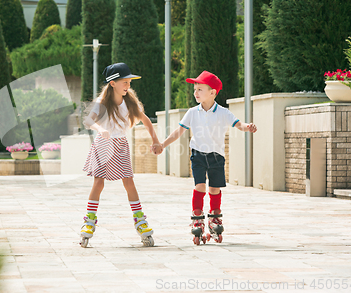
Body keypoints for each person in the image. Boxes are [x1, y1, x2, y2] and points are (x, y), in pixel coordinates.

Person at [153, 71, 257, 244]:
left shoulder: (223, 112)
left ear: (212, 92)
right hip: (198, 155)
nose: (195, 92)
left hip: (217, 157)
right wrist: (163, 144)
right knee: (200, 186)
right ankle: (197, 216)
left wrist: (248, 126)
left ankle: (215, 216)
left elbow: (238, 125)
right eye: (195, 89)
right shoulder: (192, 112)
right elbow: (179, 131)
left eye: (200, 89)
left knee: (214, 189)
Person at [79, 62, 162, 248]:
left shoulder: (129, 102)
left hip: (121, 145)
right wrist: (100, 129)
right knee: (98, 182)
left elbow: (146, 120)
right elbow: (88, 120)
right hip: (103, 145)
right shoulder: (102, 103)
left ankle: (140, 221)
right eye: (124, 82)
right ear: (113, 83)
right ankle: (89, 222)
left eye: (129, 82)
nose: (128, 85)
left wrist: (155, 140)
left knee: (129, 181)